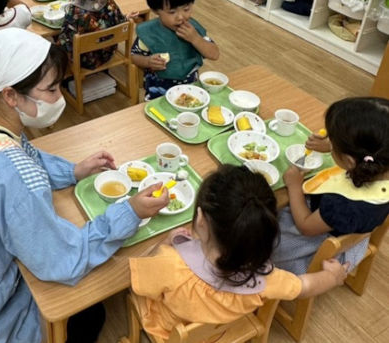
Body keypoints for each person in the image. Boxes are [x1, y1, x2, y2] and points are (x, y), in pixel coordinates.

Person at [0, 28, 169, 343]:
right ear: (10, 94)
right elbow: (62, 261)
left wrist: (73, 171)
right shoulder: (12, 177)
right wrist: (130, 211)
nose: (60, 98)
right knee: (90, 310)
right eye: (52, 89)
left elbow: (28, 157)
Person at [129, 165, 349, 339]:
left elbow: (140, 284)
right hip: (227, 331)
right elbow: (305, 286)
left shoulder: (171, 263)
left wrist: (166, 243)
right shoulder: (267, 277)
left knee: (131, 294)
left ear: (200, 219)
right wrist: (332, 277)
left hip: (171, 332)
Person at [273, 97, 389, 275]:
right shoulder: (380, 165)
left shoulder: (342, 206)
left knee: (264, 217)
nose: (331, 144)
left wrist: (294, 186)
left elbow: (306, 227)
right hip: (353, 234)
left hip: (316, 246)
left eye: (334, 144)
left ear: (350, 161)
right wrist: (330, 147)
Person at [131, 0, 219, 100]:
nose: (180, 17)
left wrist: (196, 39)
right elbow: (134, 57)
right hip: (158, 93)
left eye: (186, 9)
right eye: (172, 12)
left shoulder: (192, 30)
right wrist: (148, 61)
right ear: (156, 10)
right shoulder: (150, 33)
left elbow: (214, 54)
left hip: (191, 90)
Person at [56, 0, 135, 70]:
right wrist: (126, 18)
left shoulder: (75, 11)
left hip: (85, 60)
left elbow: (65, 39)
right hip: (107, 53)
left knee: (56, 39)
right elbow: (120, 23)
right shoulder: (110, 3)